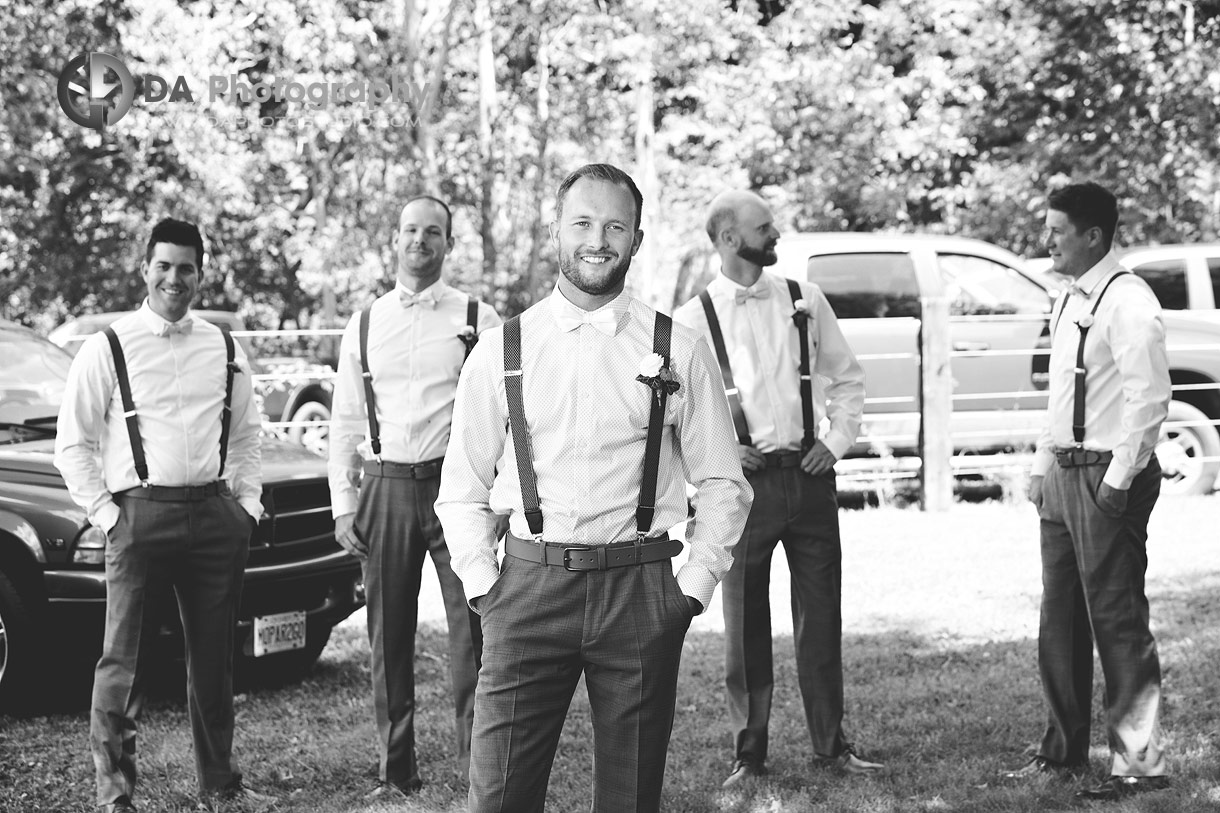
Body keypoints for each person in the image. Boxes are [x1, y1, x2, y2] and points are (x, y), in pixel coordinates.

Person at [435, 163, 753, 813]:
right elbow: (462, 489)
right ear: (556, 231)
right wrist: (484, 588)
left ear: (637, 239)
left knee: (630, 796)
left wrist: (691, 590)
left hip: (639, 589)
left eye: (615, 225)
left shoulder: (679, 347)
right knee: (496, 796)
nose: (598, 239)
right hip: (526, 589)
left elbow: (722, 480)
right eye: (582, 222)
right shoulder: (501, 350)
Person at [54, 218, 266, 813]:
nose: (175, 278)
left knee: (215, 659)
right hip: (138, 516)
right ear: (145, 268)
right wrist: (106, 513)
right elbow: (72, 443)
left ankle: (219, 783)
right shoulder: (108, 347)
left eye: (187, 268)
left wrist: (245, 506)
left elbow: (247, 434)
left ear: (201, 274)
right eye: (164, 266)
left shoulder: (224, 347)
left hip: (214, 516)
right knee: (123, 660)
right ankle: (115, 793)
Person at [673, 190, 880, 787]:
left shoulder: (805, 300)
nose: (778, 234)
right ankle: (750, 752)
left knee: (822, 617)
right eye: (765, 228)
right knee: (744, 624)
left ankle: (831, 745)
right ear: (731, 240)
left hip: (810, 480)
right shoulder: (692, 321)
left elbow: (847, 379)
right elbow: (673, 416)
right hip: (745, 491)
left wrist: (836, 443)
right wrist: (713, 455)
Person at [328, 195, 501, 797]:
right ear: (394, 239)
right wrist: (342, 503)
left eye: (433, 232)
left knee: (474, 630)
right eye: (410, 230)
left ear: (448, 244)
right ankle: (394, 769)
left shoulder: (480, 318)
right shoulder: (366, 322)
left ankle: (476, 765)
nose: (420, 240)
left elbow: (506, 416)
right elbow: (346, 416)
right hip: (384, 488)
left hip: (457, 489)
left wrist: (499, 501)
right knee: (388, 635)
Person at [1004, 182, 1172, 802]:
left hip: (1108, 475)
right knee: (1061, 619)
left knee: (1118, 619)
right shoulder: (1070, 297)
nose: (1045, 240)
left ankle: (1137, 764)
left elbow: (1149, 399)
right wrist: (1042, 465)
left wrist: (1117, 482)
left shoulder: (1128, 302)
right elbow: (1062, 396)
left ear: (1093, 236)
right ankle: (1063, 750)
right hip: (1064, 475)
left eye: (1055, 230)